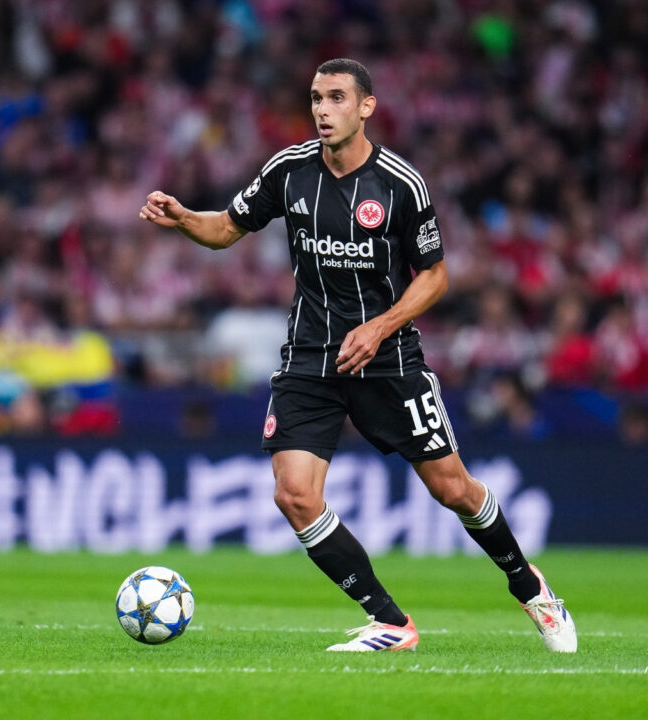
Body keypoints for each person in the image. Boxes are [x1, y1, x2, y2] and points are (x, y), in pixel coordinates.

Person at [139, 58, 576, 653]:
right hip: (309, 357)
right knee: (294, 494)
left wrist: (381, 325)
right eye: (316, 97)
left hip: (389, 359)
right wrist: (185, 218)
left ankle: (531, 587)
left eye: (337, 98)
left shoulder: (400, 184)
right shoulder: (288, 171)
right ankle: (391, 622)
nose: (322, 109)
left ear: (366, 107)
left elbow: (435, 276)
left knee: (453, 489)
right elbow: (225, 230)